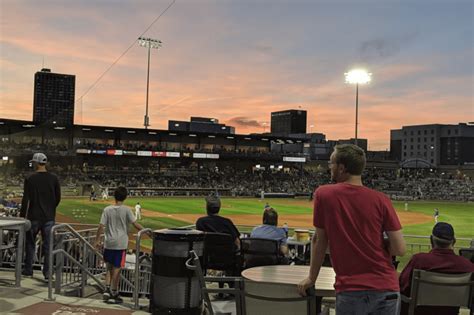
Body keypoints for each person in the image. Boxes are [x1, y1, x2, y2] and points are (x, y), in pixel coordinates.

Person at [298, 144, 406, 315]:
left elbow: (319, 239)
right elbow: (400, 249)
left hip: (351, 290)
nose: (329, 167)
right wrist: (380, 244)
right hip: (386, 287)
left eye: (331, 163)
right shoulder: (381, 199)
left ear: (342, 168)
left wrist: (312, 278)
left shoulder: (324, 194)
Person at [399, 222, 474, 315]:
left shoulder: (419, 260)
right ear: (454, 241)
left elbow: (402, 287)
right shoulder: (468, 266)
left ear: (431, 240)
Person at [94, 186, 148, 304]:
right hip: (121, 243)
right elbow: (135, 224)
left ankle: (107, 290)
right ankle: (114, 292)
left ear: (114, 196)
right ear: (125, 197)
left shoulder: (107, 209)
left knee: (108, 267)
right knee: (117, 268)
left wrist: (97, 240)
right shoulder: (126, 210)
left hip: (109, 242)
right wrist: (147, 231)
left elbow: (101, 226)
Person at [20, 153, 61, 280]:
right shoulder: (54, 178)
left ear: (37, 163)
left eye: (33, 163)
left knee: (30, 244)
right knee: (48, 246)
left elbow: (25, 199)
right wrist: (50, 209)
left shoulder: (30, 178)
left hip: (33, 216)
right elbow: (58, 198)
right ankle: (48, 273)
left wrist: (22, 216)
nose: (32, 165)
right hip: (49, 217)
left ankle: (28, 270)